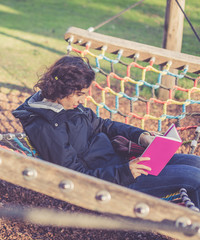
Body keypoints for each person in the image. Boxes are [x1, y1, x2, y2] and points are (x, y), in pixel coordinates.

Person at [12, 55, 200, 208]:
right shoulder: (46, 126)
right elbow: (72, 174)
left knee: (195, 162)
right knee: (194, 177)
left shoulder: (65, 104)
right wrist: (125, 173)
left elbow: (103, 125)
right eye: (79, 94)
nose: (83, 99)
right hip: (116, 183)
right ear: (63, 89)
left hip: (122, 166)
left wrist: (141, 136)